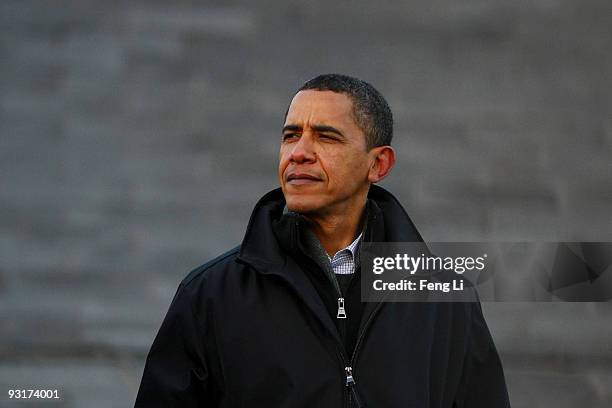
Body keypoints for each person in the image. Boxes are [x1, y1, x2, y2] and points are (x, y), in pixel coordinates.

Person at [135, 74, 511, 407]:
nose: (299, 153)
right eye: (291, 135)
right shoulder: (209, 296)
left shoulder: (446, 301)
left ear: (378, 165)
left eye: (326, 137)